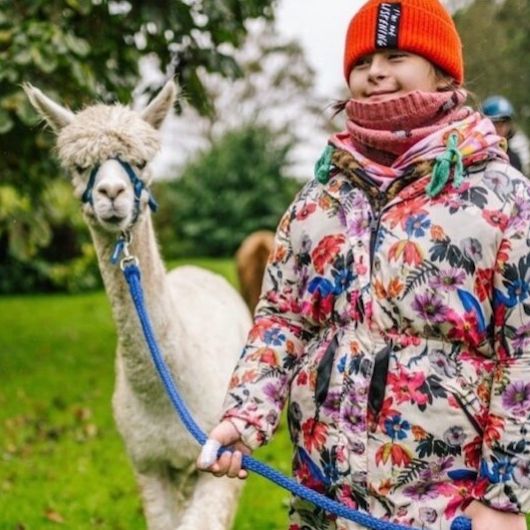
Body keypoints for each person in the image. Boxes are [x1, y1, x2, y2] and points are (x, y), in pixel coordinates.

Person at [197, 1, 530, 529]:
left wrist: (504, 498)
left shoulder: (502, 198)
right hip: (323, 490)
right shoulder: (320, 198)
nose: (376, 71)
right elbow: (284, 318)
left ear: (443, 71)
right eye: (362, 62)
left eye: (397, 56)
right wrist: (245, 414)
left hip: (444, 503)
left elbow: (523, 354)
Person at [481, 95, 528, 175]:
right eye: (496, 122)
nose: (501, 127)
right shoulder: (477, 155)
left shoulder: (514, 159)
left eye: (505, 122)